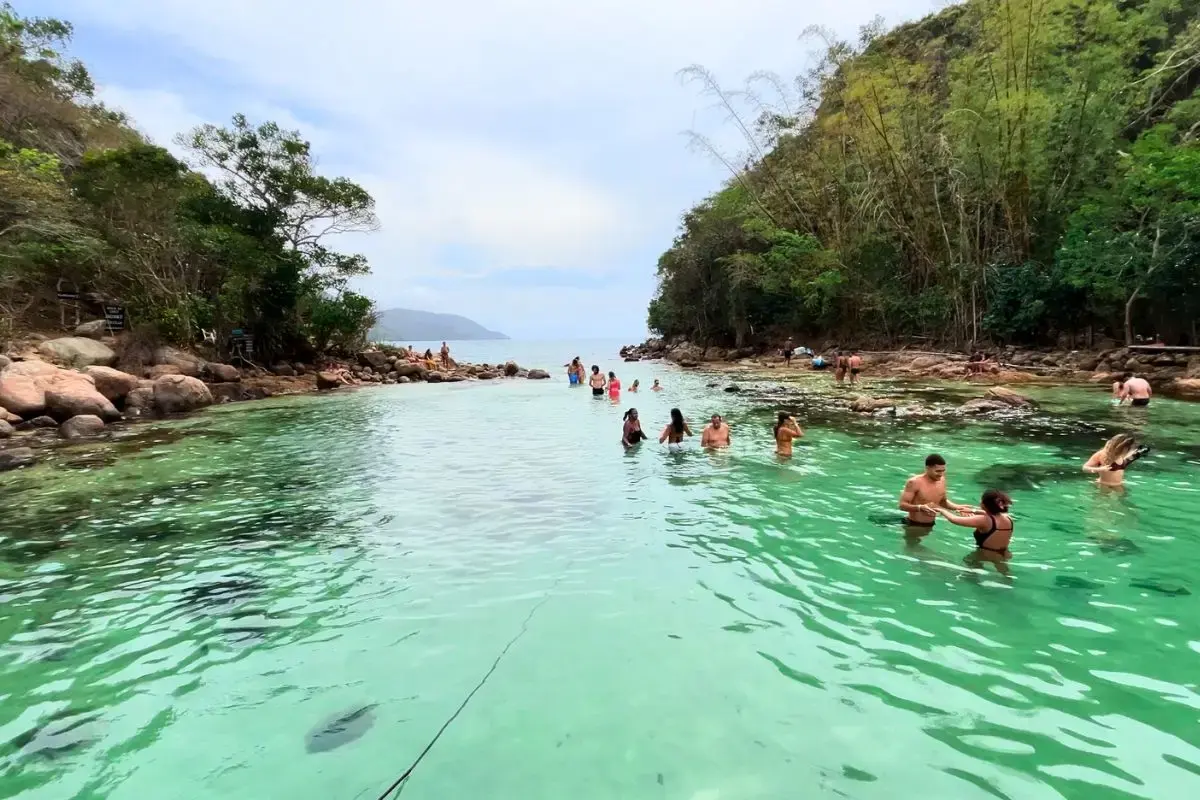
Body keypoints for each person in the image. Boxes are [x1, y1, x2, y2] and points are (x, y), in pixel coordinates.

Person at [898, 454, 973, 529]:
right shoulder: (914, 482)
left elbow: (943, 502)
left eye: (943, 471)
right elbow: (902, 505)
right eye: (938, 471)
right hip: (914, 524)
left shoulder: (942, 480)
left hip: (931, 523)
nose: (941, 474)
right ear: (927, 468)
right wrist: (920, 507)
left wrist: (958, 507)